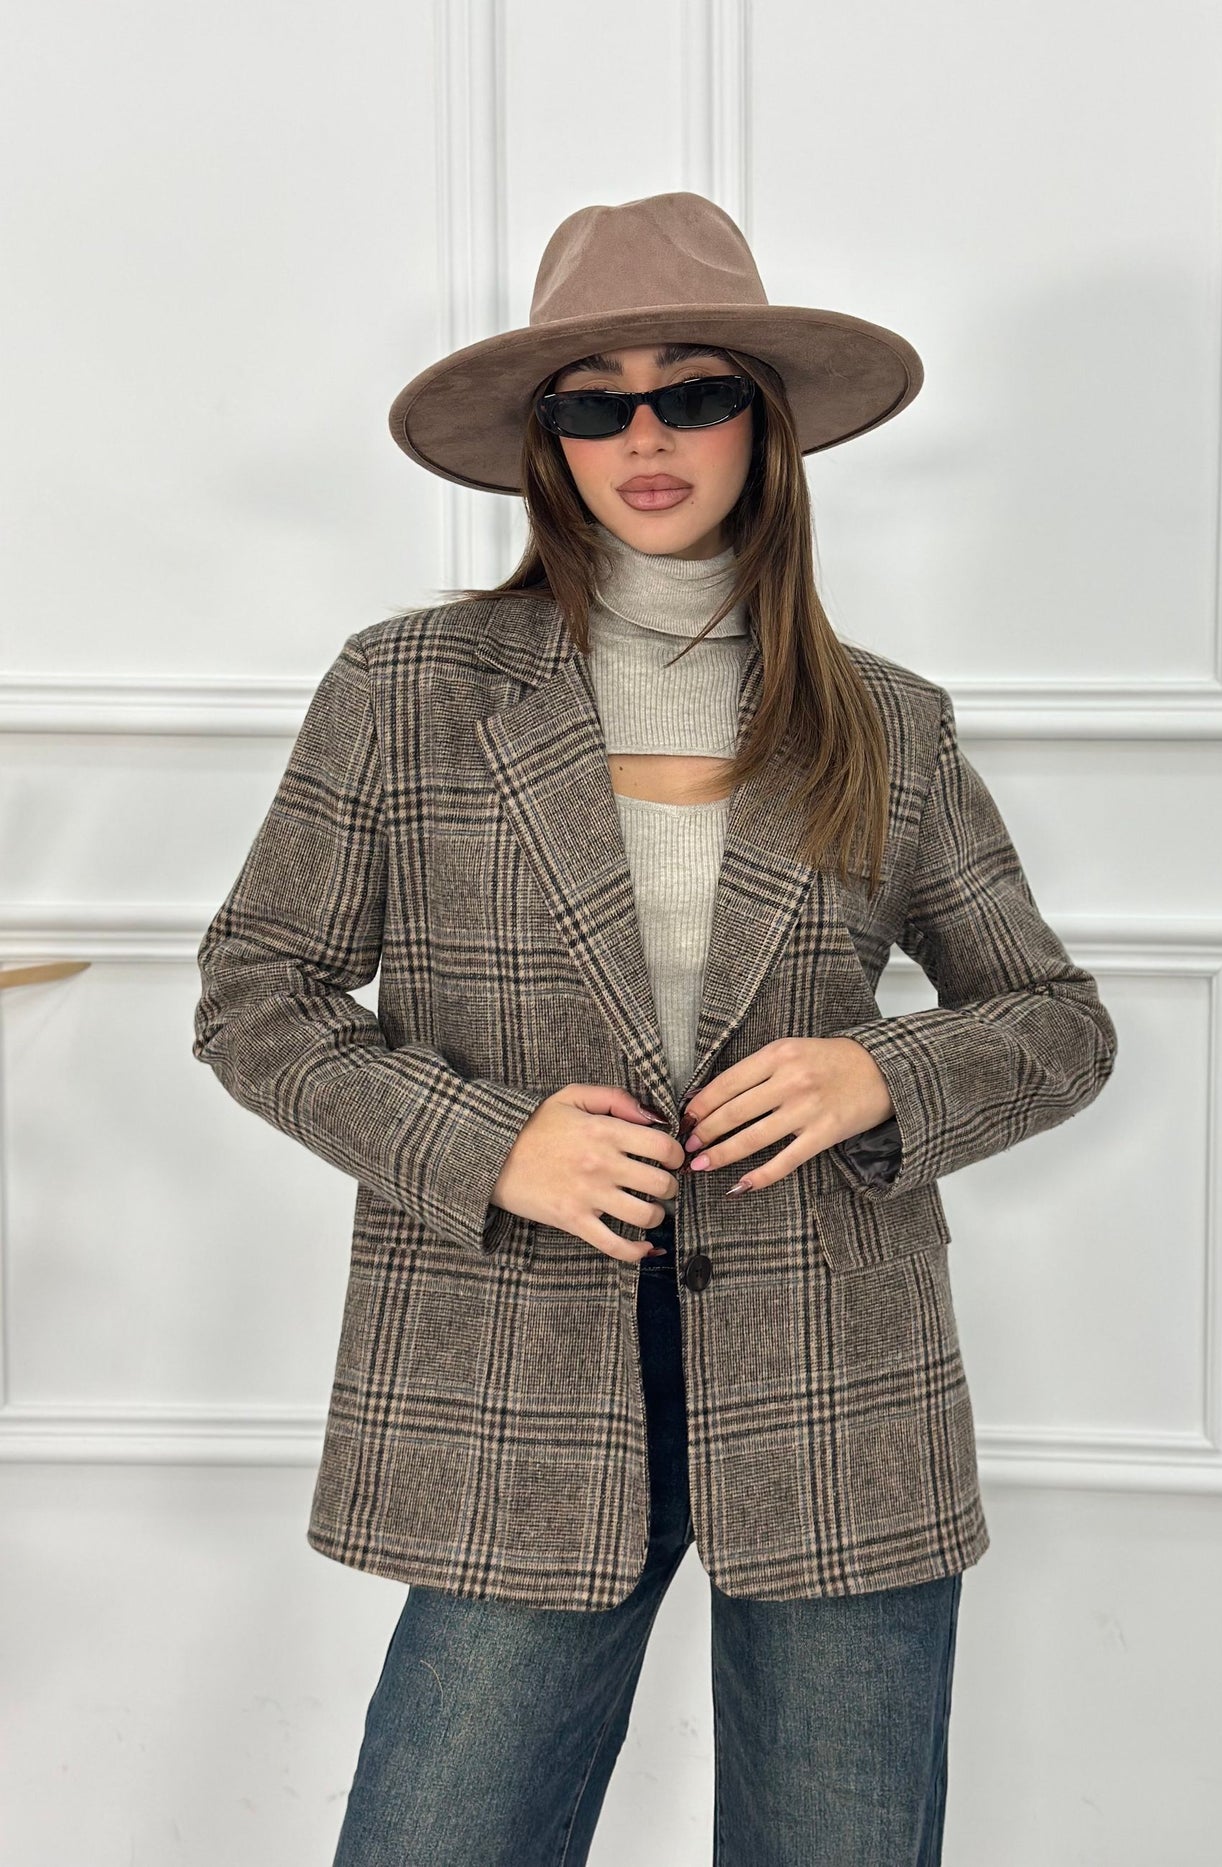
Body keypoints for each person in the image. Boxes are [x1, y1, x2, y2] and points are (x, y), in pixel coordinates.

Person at [193, 191, 1118, 1865]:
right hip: (513, 1374)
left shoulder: (885, 721)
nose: (645, 436)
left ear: (765, 425)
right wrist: (493, 1145)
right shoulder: (407, 689)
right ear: (543, 440)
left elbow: (1057, 1023)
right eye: (593, 402)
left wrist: (880, 1071)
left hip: (837, 1381)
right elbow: (257, 992)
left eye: (693, 392)